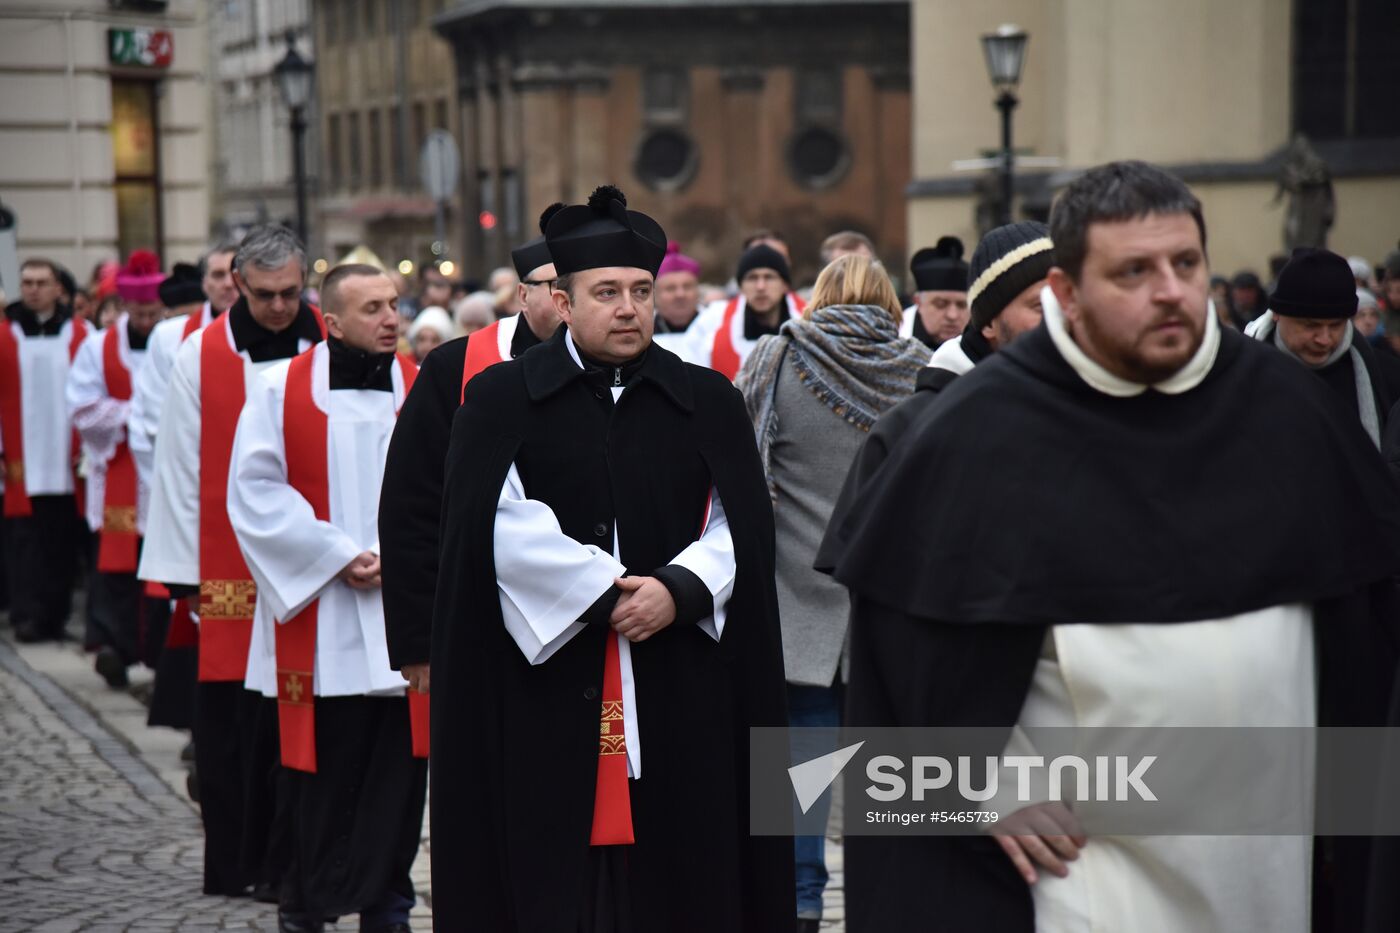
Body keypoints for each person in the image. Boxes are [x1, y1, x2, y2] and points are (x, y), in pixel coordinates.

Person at [819, 161, 1400, 933]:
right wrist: (969, 782)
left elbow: (1369, 637)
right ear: (1067, 291)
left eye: (1185, 263)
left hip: (1264, 865)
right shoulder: (976, 433)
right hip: (1082, 876)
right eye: (1134, 270)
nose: (1169, 290)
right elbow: (903, 672)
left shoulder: (1287, 410)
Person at [430, 184, 792, 931]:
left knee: (688, 865)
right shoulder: (502, 399)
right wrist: (603, 590)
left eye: (639, 290)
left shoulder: (707, 398)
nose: (628, 307)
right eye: (607, 292)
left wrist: (679, 589)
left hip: (682, 673)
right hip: (545, 681)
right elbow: (490, 522)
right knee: (552, 872)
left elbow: (744, 525)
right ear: (561, 302)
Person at [229, 263, 427, 933]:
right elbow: (253, 491)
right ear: (333, 322)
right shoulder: (278, 388)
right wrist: (338, 554)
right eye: (372, 308)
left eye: (394, 305)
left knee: (395, 781)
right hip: (321, 618)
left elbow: (448, 489)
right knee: (318, 777)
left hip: (399, 624)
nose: (391, 319)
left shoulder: (422, 389)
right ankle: (306, 904)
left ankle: (387, 904)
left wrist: (401, 559)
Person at [736, 253, 925, 932]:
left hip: (795, 589)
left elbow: (739, 466)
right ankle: (897, 897)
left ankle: (801, 897)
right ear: (890, 299)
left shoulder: (777, 359)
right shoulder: (920, 367)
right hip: (888, 591)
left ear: (815, 295)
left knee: (798, 759)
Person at [139, 225, 326, 898]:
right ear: (237, 285)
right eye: (265, 294)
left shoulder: (330, 344)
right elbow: (181, 467)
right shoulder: (202, 354)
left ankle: (296, 864)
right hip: (230, 574)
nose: (280, 308)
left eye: (290, 293)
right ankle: (236, 863)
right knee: (229, 730)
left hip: (314, 561)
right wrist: (185, 576)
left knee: (303, 723)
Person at [379, 207, 564, 696]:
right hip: (481, 615)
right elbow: (411, 503)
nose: (570, 302)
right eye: (556, 287)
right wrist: (418, 640)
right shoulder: (454, 366)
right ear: (523, 294)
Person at [821, 221, 1055, 548]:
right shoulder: (907, 430)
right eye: (1041, 307)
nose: (1061, 321)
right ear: (987, 320)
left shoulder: (1095, 410)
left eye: (1067, 303)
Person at [66, 250, 167, 687]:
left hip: (164, 473)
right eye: (139, 311)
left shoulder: (175, 342)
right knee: (116, 568)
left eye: (152, 311)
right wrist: (136, 416)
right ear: (124, 306)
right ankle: (114, 646)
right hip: (120, 471)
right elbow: (83, 407)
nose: (146, 319)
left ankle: (159, 651)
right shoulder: (97, 347)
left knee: (159, 566)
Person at [0, 258, 89, 643]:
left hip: (64, 457)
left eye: (41, 282)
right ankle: (26, 615)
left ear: (58, 289)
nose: (33, 289)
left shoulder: (79, 334)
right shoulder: (5, 335)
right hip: (23, 457)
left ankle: (55, 616)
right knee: (24, 544)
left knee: (63, 543)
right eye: (27, 282)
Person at [1244, 247, 1400, 447]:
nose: (1324, 339)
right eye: (1311, 325)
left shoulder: (1383, 378)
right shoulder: (1240, 374)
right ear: (1277, 314)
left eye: (1336, 325)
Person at [683, 244, 806, 379]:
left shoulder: (807, 322)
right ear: (741, 286)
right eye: (752, 278)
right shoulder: (713, 320)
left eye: (769, 277)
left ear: (784, 285)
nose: (760, 287)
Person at [900, 237, 969, 350]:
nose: (952, 315)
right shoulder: (897, 334)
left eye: (962, 305)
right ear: (918, 302)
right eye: (941, 304)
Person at [653, 242, 702, 334]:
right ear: (655, 295)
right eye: (670, 288)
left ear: (697, 291)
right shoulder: (645, 331)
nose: (680, 294)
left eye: (687, 286)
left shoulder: (715, 327)